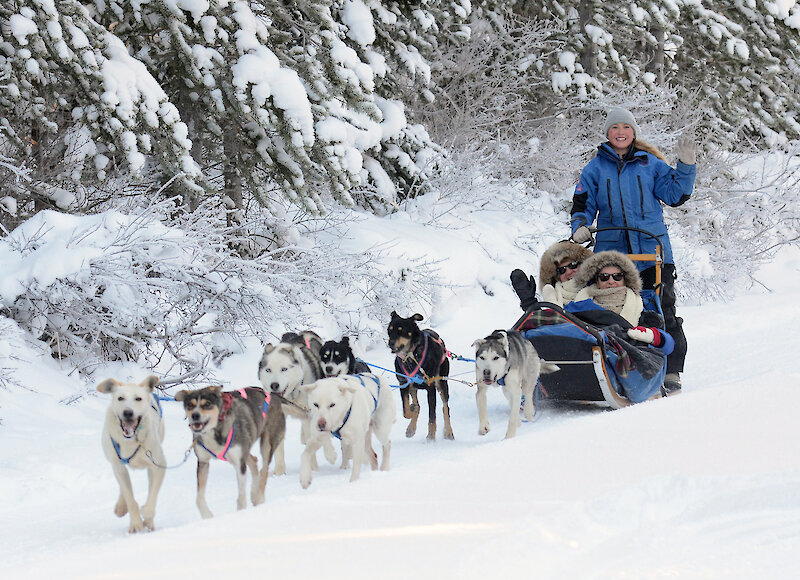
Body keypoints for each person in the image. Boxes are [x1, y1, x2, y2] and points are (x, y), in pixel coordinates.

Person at [570, 107, 695, 394]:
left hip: (653, 252)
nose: (621, 132)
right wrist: (580, 225)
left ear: (633, 132)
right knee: (612, 310)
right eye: (615, 128)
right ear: (607, 133)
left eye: (626, 127)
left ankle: (671, 369)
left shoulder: (650, 164)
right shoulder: (594, 169)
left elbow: (675, 195)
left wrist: (686, 167)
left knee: (661, 309)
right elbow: (582, 204)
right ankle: (616, 364)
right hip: (613, 256)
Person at [567, 250, 674, 353]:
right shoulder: (580, 303)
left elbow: (668, 346)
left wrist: (653, 336)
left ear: (625, 279)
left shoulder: (639, 304)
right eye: (604, 277)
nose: (611, 281)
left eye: (617, 276)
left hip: (624, 358)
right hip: (586, 352)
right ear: (596, 280)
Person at [510, 241, 592, 311]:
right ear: (556, 277)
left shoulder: (602, 290)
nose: (569, 272)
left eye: (573, 265)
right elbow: (547, 328)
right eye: (561, 270)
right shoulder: (553, 302)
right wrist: (530, 304)